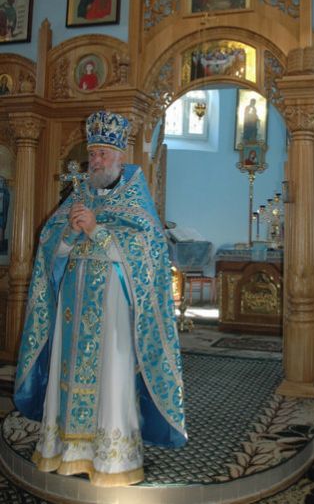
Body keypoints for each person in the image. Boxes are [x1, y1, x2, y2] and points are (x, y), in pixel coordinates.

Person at [14, 111, 187, 487]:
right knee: (66, 376)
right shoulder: (79, 195)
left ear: (120, 156)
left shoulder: (135, 198)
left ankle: (111, 461)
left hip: (112, 312)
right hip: (72, 312)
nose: (96, 160)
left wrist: (98, 231)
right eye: (93, 154)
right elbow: (50, 246)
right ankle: (65, 451)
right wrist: (68, 234)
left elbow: (149, 253)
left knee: (111, 379)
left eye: (103, 154)